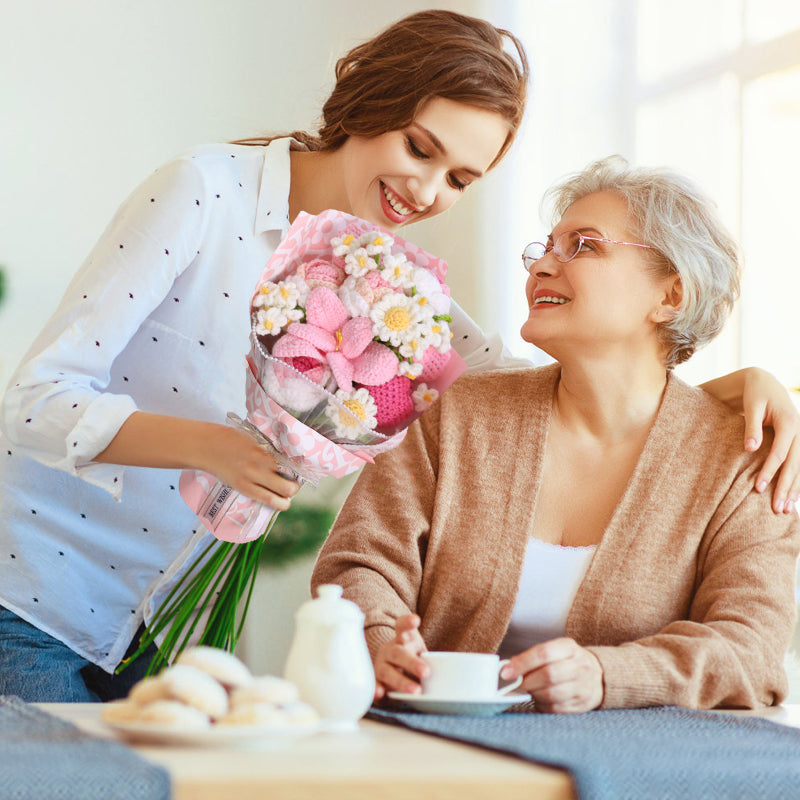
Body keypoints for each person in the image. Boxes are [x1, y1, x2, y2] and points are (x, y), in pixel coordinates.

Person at [0, 10, 794, 703]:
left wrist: (736, 392)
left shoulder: (395, 293)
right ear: (371, 101)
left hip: (156, 624)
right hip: (35, 598)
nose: (427, 192)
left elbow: (564, 386)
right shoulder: (204, 192)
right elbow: (30, 400)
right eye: (420, 148)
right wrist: (213, 447)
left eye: (460, 178)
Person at [311, 156, 800, 713]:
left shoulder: (743, 459)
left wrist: (608, 675)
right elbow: (360, 562)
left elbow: (751, 650)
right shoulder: (455, 414)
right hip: (432, 752)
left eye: (584, 245)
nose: (542, 266)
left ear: (671, 296)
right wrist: (376, 637)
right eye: (545, 247)